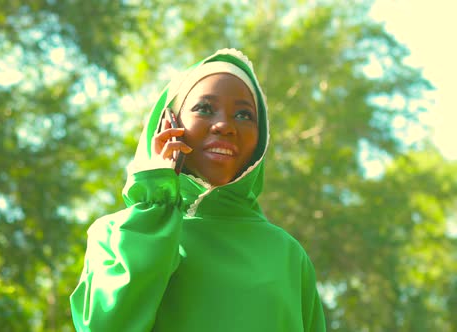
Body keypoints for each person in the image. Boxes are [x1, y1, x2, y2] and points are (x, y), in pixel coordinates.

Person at [69, 48, 326, 331]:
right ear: (168, 124)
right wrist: (158, 200)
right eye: (204, 108)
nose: (225, 125)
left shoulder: (288, 254)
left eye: (243, 115)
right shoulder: (117, 235)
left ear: (260, 138)